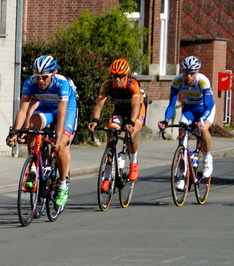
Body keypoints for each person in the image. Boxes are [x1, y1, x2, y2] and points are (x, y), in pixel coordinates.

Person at [6, 55, 78, 207]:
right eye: (38, 77)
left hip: (67, 110)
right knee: (32, 124)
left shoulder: (62, 83)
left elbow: (63, 114)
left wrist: (58, 138)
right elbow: (23, 111)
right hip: (47, 108)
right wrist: (16, 132)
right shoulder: (30, 83)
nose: (40, 81)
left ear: (53, 74)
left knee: (61, 148)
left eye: (44, 77)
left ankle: (62, 185)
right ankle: (34, 163)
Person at [88, 59, 144, 191]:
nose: (117, 79)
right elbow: (98, 105)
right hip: (120, 110)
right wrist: (95, 120)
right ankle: (107, 175)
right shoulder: (107, 85)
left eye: (120, 76)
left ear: (126, 76)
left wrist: (130, 123)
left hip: (136, 111)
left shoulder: (132, 85)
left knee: (131, 134)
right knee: (111, 131)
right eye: (114, 76)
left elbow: (135, 106)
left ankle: (134, 163)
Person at [158, 56, 215, 187]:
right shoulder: (177, 81)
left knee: (203, 128)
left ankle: (207, 158)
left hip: (205, 109)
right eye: (185, 73)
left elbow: (209, 105)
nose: (188, 76)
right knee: (182, 139)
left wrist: (201, 120)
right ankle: (182, 176)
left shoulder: (203, 81)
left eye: (191, 73)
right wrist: (166, 120)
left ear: (197, 72)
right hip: (189, 109)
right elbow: (171, 105)